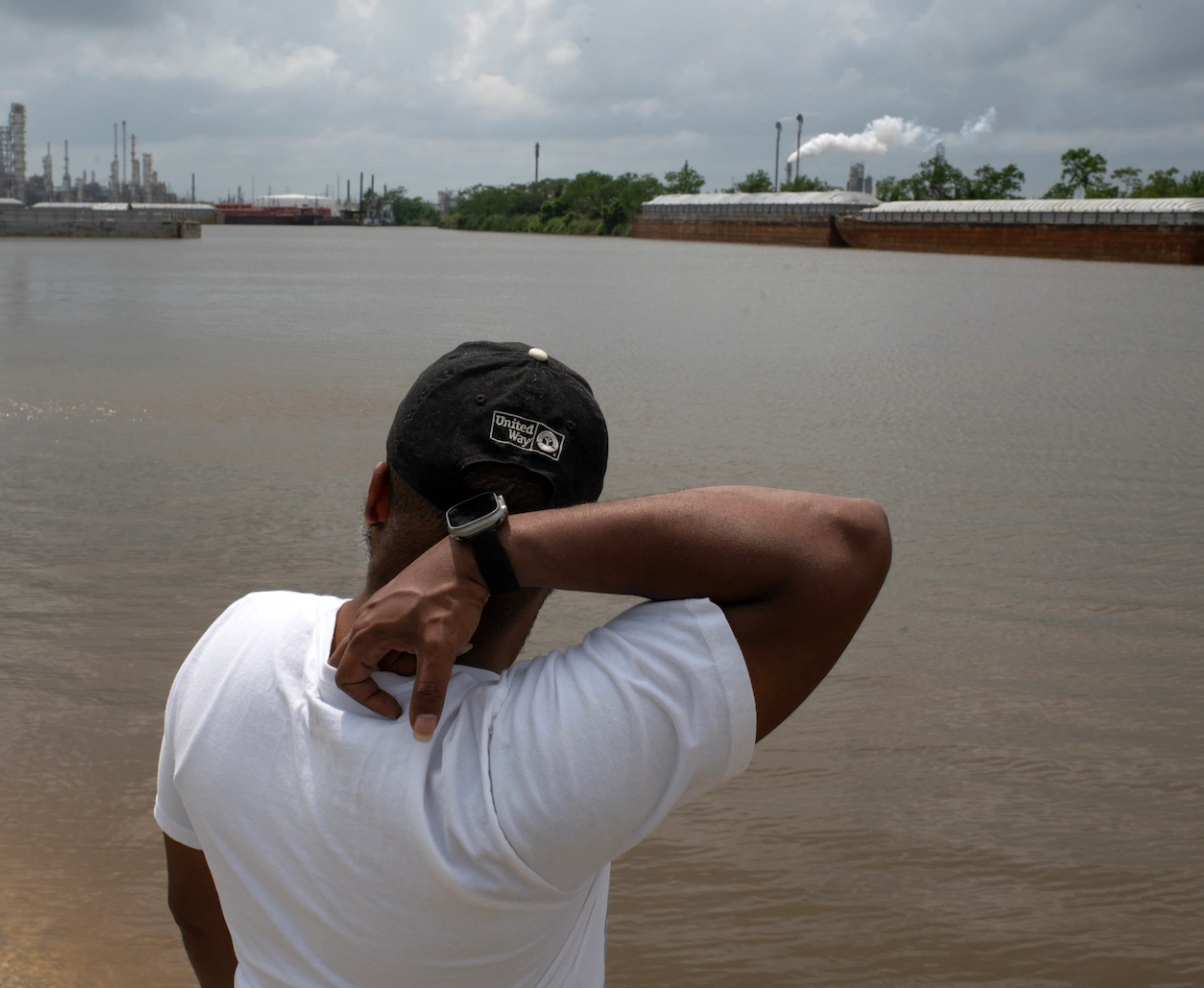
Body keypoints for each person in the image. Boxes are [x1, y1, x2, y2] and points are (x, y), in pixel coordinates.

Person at [156, 341, 891, 988]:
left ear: (378, 492)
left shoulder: (234, 643)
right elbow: (839, 549)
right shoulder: (538, 766)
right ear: (575, 543)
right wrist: (493, 550)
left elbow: (196, 915)